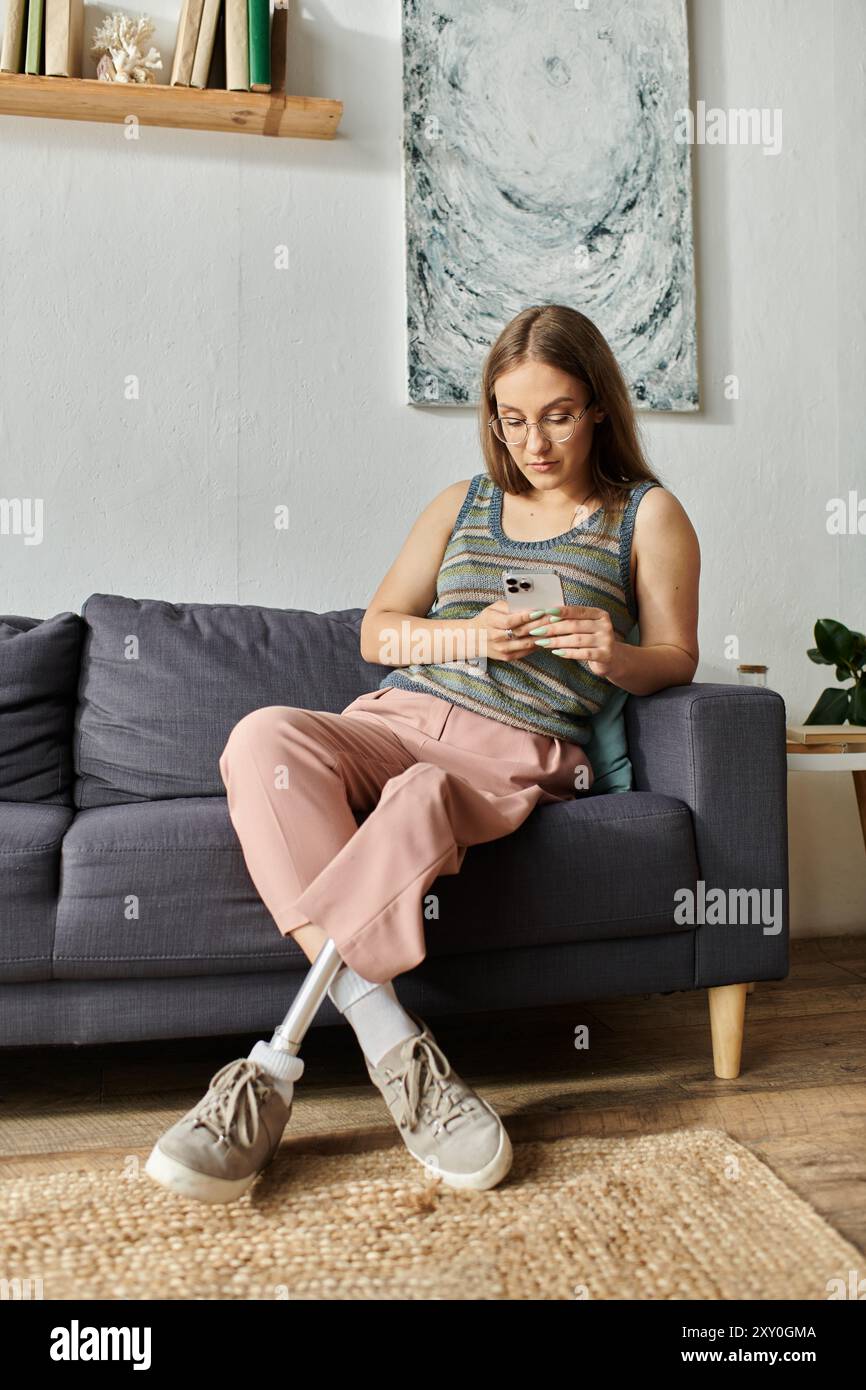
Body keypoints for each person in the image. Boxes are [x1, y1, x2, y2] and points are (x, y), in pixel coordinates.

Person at [145, 303, 700, 1205]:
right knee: (262, 737)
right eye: (511, 418)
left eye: (557, 414)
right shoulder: (462, 503)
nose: (534, 441)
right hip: (394, 716)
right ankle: (393, 1045)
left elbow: (676, 656)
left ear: (599, 406)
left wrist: (614, 652)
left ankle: (263, 1075)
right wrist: (467, 638)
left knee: (421, 795)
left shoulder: (647, 514)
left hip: (510, 753)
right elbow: (377, 634)